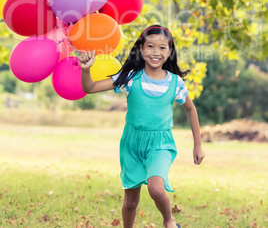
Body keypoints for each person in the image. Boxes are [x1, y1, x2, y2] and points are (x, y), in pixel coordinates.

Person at [79, 25, 205, 228]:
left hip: (160, 143)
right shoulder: (130, 78)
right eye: (151, 46)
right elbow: (90, 87)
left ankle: (169, 220)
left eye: (162, 48)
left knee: (156, 188)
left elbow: (191, 109)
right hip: (132, 144)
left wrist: (197, 144)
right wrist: (86, 70)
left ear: (170, 52)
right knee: (130, 203)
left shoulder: (175, 83)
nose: (156, 52)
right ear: (141, 49)